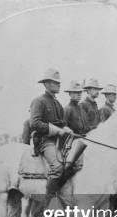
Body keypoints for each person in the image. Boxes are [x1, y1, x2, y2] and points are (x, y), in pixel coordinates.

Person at [30, 68, 86, 206]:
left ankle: (63, 194)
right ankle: (48, 201)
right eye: (56, 83)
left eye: (59, 83)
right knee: (57, 167)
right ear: (47, 84)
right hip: (45, 141)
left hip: (60, 142)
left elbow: (62, 123)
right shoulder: (38, 101)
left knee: (76, 163)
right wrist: (55, 130)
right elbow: (34, 123)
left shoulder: (58, 104)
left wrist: (66, 129)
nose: (59, 85)